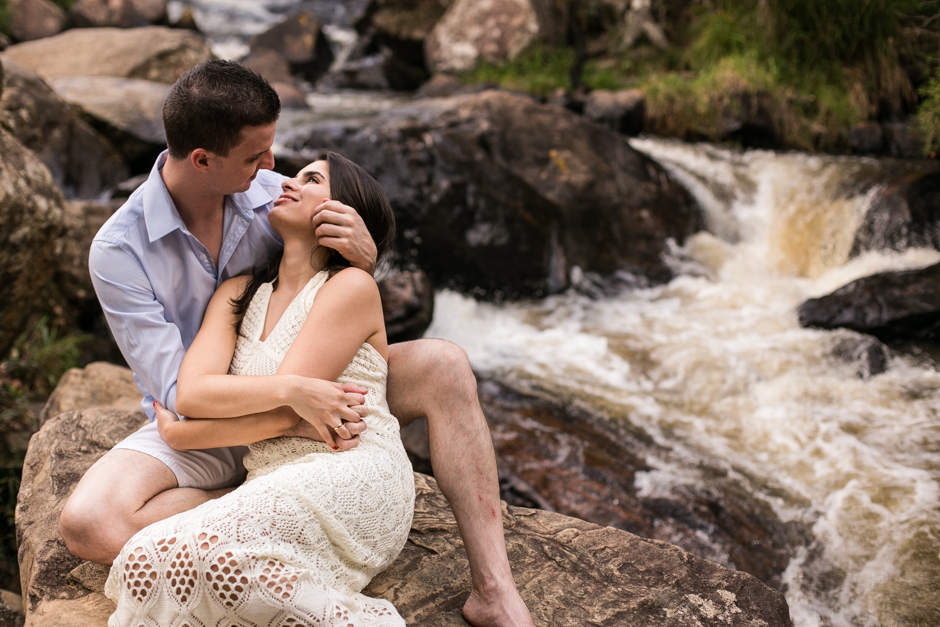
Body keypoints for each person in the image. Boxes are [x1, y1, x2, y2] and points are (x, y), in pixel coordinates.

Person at [57, 60, 534, 627]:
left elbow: (335, 287)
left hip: (317, 392)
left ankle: (495, 588)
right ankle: (248, 524)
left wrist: (367, 257)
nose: (273, 168)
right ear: (203, 158)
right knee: (88, 522)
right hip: (217, 413)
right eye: (256, 155)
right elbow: (181, 397)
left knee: (444, 363)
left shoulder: (271, 196)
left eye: (276, 154)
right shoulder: (120, 250)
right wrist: (278, 410)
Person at [106, 151, 414, 625]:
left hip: (351, 469)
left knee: (213, 561)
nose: (286, 182)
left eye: (311, 179)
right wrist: (290, 391)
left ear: (342, 213)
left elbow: (283, 416)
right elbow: (191, 394)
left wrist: (184, 434)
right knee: (141, 560)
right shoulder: (239, 291)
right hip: (270, 475)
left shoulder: (350, 285)